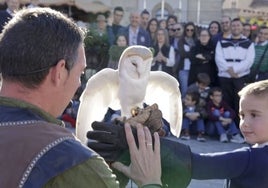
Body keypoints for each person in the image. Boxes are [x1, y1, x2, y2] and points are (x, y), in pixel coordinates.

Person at [0, 7, 162, 188]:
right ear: (60, 72)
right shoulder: (73, 163)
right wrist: (151, 182)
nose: (79, 84)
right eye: (80, 73)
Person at [88, 80, 268, 188]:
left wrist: (137, 140)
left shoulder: (253, 158)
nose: (245, 122)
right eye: (243, 115)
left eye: (254, 115)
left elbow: (197, 164)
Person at [215, 18, 255, 125]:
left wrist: (236, 70)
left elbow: (249, 61)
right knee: (226, 102)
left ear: (242, 27)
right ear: (230, 27)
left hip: (240, 77)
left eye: (238, 25)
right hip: (225, 76)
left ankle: (238, 127)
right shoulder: (222, 42)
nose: (235, 27)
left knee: (240, 103)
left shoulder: (248, 43)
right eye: (233, 25)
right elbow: (219, 58)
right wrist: (229, 70)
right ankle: (228, 128)